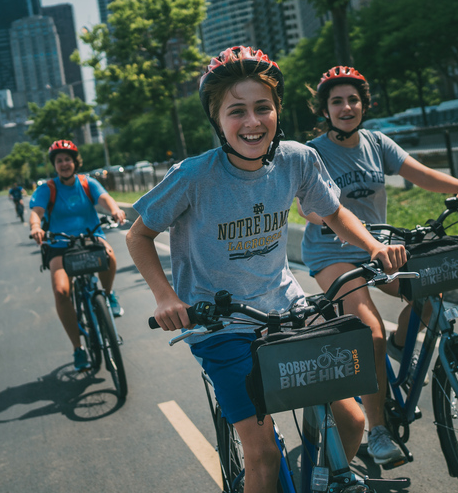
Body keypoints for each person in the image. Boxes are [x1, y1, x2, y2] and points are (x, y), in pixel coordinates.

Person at [125, 47, 406, 492]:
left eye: (263, 108)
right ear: (218, 120)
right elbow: (137, 236)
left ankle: (317, 481)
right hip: (222, 326)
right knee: (264, 458)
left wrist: (373, 246)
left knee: (353, 422)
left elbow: (332, 212)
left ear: (277, 111)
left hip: (286, 309)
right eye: (237, 112)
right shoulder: (193, 176)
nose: (252, 122)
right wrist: (166, 296)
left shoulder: (296, 159)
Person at [299, 65, 458, 466]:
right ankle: (378, 428)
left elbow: (419, 174)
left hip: (379, 246)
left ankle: (403, 345)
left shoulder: (376, 143)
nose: (346, 107)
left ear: (364, 104)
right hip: (331, 253)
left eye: (353, 99)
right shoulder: (314, 153)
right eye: (337, 101)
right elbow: (306, 206)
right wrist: (328, 218)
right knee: (369, 333)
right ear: (325, 109)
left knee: (430, 298)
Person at [29, 140, 127, 371]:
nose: (64, 164)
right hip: (59, 243)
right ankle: (78, 348)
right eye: (59, 160)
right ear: (54, 165)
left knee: (110, 256)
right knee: (61, 291)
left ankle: (109, 295)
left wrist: (115, 210)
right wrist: (35, 226)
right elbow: (37, 212)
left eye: (67, 159)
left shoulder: (87, 183)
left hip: (90, 236)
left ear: (75, 162)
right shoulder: (47, 189)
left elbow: (104, 198)